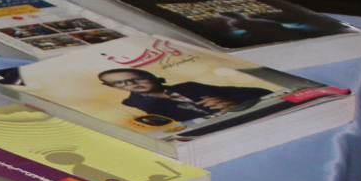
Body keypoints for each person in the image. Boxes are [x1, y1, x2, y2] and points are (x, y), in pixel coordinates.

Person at [95, 67, 266, 123]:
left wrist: (233, 100)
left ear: (151, 76)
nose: (131, 84)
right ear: (112, 87)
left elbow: (263, 92)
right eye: (120, 83)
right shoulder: (132, 105)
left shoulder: (190, 87)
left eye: (137, 78)